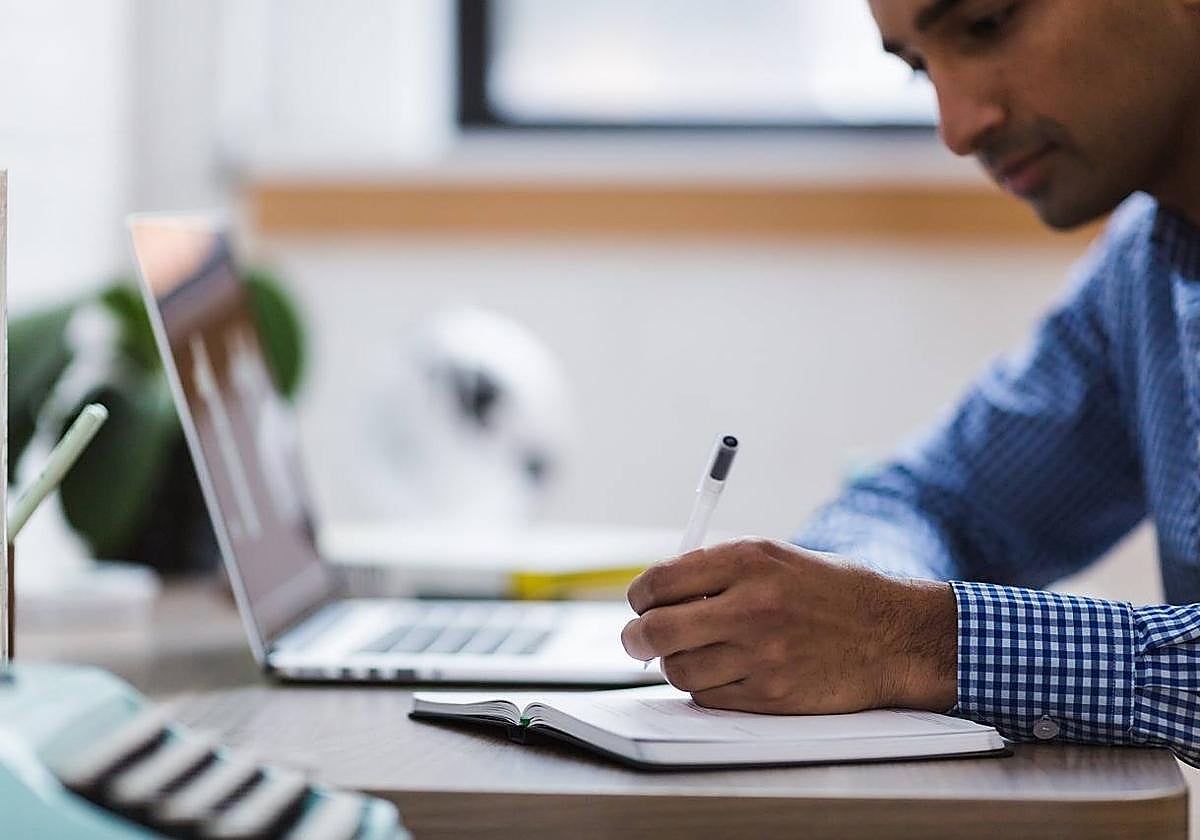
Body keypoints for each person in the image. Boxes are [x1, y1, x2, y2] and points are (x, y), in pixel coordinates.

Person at [620, 0, 1200, 765]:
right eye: (920, 68)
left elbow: (906, 623)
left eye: (987, 24)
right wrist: (839, 612)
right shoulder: (1148, 268)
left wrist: (916, 640)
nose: (958, 129)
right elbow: (929, 500)